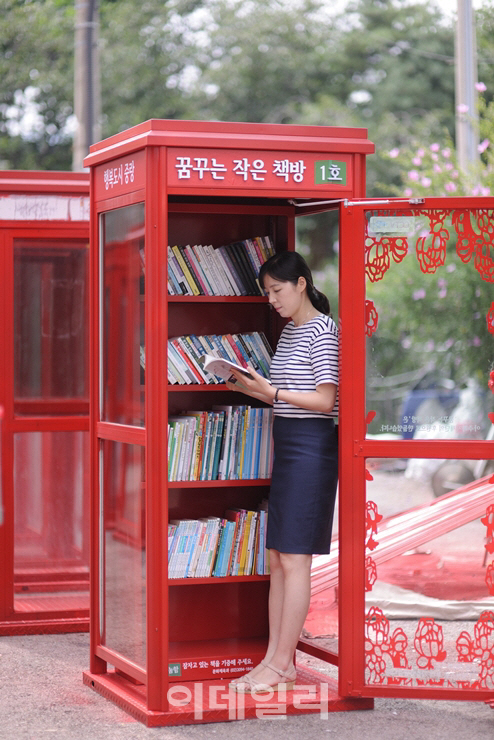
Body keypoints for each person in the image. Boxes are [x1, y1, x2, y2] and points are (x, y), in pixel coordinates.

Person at [226, 250, 339, 694]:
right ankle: (277, 660)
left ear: (302, 284)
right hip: (289, 445)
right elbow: (287, 396)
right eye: (266, 293)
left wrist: (272, 391)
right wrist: (255, 388)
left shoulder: (322, 332)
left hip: (312, 450)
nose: (271, 299)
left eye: (277, 290)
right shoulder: (291, 333)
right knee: (277, 559)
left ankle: (280, 663)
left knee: (295, 560)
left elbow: (325, 402)